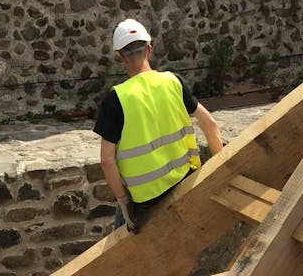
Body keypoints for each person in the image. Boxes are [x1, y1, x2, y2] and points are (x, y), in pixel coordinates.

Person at [89, 18, 224, 236]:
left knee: (122, 240)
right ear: (149, 50)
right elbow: (210, 124)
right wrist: (221, 170)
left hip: (144, 200)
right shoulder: (173, 81)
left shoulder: (116, 99)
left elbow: (107, 161)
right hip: (182, 180)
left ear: (121, 57)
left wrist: (124, 203)